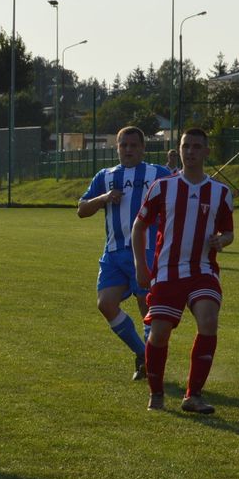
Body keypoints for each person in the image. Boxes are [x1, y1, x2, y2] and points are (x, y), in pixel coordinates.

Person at [133, 128, 234, 414]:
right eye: (185, 146)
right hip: (167, 272)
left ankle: (193, 396)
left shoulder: (220, 193)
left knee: (208, 319)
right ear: (178, 149)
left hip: (203, 269)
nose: (190, 151)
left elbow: (228, 232)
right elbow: (139, 226)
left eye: (196, 146)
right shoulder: (163, 187)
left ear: (206, 152)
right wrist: (142, 265)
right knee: (160, 333)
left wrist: (222, 240)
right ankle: (157, 393)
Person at [77, 126, 172, 381]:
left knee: (146, 308)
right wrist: (104, 198)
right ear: (117, 148)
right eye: (123, 145)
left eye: (133, 145)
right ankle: (144, 354)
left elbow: (181, 194)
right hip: (113, 253)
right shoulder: (105, 176)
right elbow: (82, 209)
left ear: (143, 148)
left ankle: (152, 365)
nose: (128, 150)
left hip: (146, 250)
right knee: (105, 304)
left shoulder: (158, 173)